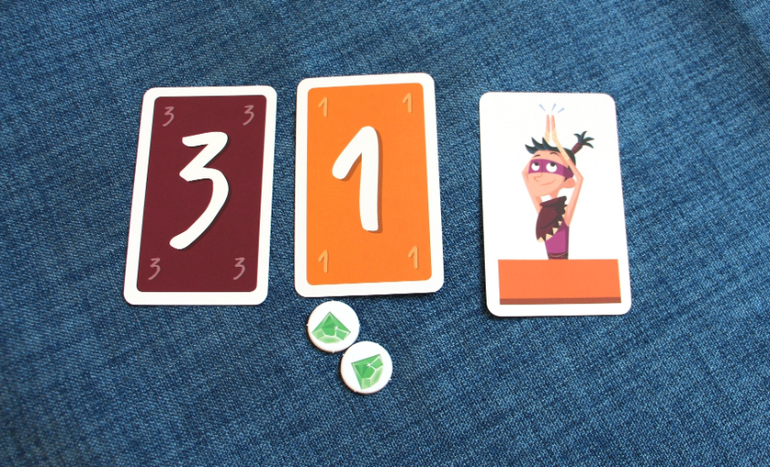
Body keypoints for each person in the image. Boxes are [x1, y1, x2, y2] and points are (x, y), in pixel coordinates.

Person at [521, 115, 593, 259]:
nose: (539, 174)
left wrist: (557, 143)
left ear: (568, 182)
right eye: (537, 165)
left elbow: (579, 179)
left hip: (563, 263)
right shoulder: (543, 209)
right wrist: (545, 143)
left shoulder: (564, 214)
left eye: (552, 166)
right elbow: (524, 173)